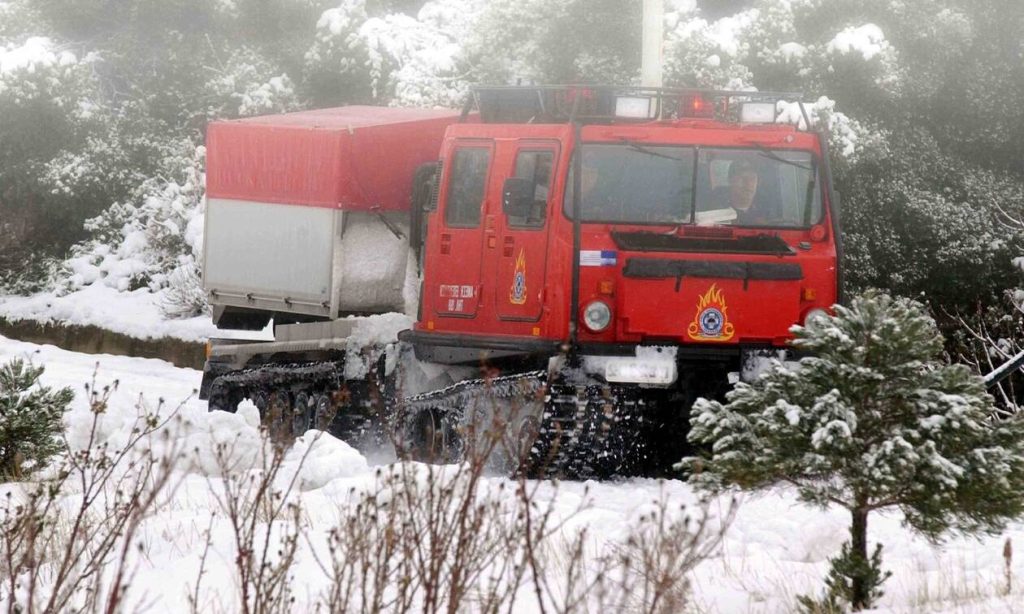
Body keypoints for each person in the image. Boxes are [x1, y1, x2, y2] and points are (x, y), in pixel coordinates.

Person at [724, 158, 761, 224]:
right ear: (730, 180)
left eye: (753, 178)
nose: (749, 183)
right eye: (742, 178)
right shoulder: (716, 213)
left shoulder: (769, 212)